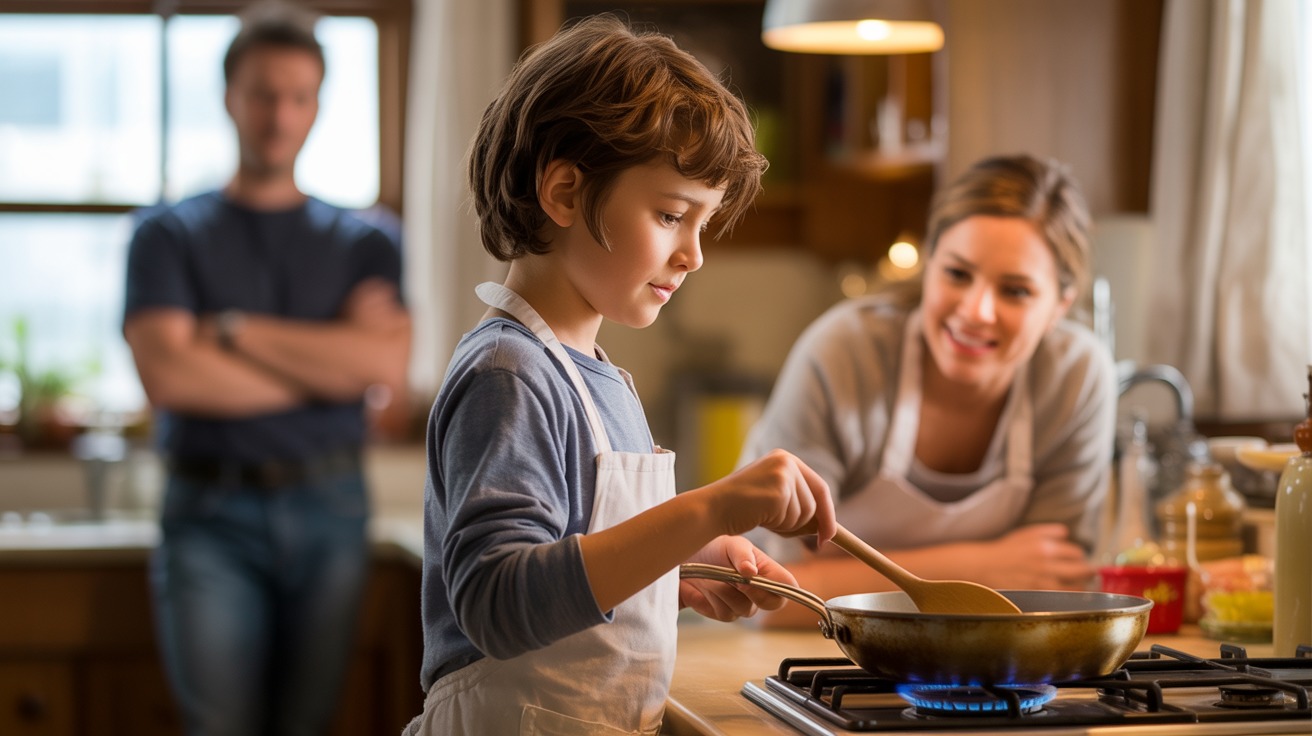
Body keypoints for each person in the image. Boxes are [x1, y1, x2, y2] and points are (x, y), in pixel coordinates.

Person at [403, 15, 836, 736]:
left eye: (704, 224)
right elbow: (499, 605)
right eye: (671, 215)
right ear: (566, 194)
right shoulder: (510, 372)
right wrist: (707, 509)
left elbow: (571, 580)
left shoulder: (598, 376)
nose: (693, 254)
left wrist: (677, 570)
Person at [122, 4, 410, 734]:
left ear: (317, 105)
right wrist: (326, 364)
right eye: (261, 94)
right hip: (208, 516)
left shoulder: (367, 241)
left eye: (297, 96)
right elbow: (172, 381)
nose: (279, 115)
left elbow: (381, 365)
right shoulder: (166, 234)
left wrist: (231, 332)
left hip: (332, 506)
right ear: (229, 98)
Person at [739, 154, 1117, 628]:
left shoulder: (1075, 377)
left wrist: (834, 577)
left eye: (1015, 290)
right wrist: (980, 569)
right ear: (930, 262)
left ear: (1060, 304)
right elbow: (768, 595)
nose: (977, 311)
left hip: (985, 666)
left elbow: (1053, 590)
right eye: (957, 274)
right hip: (799, 659)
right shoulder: (845, 354)